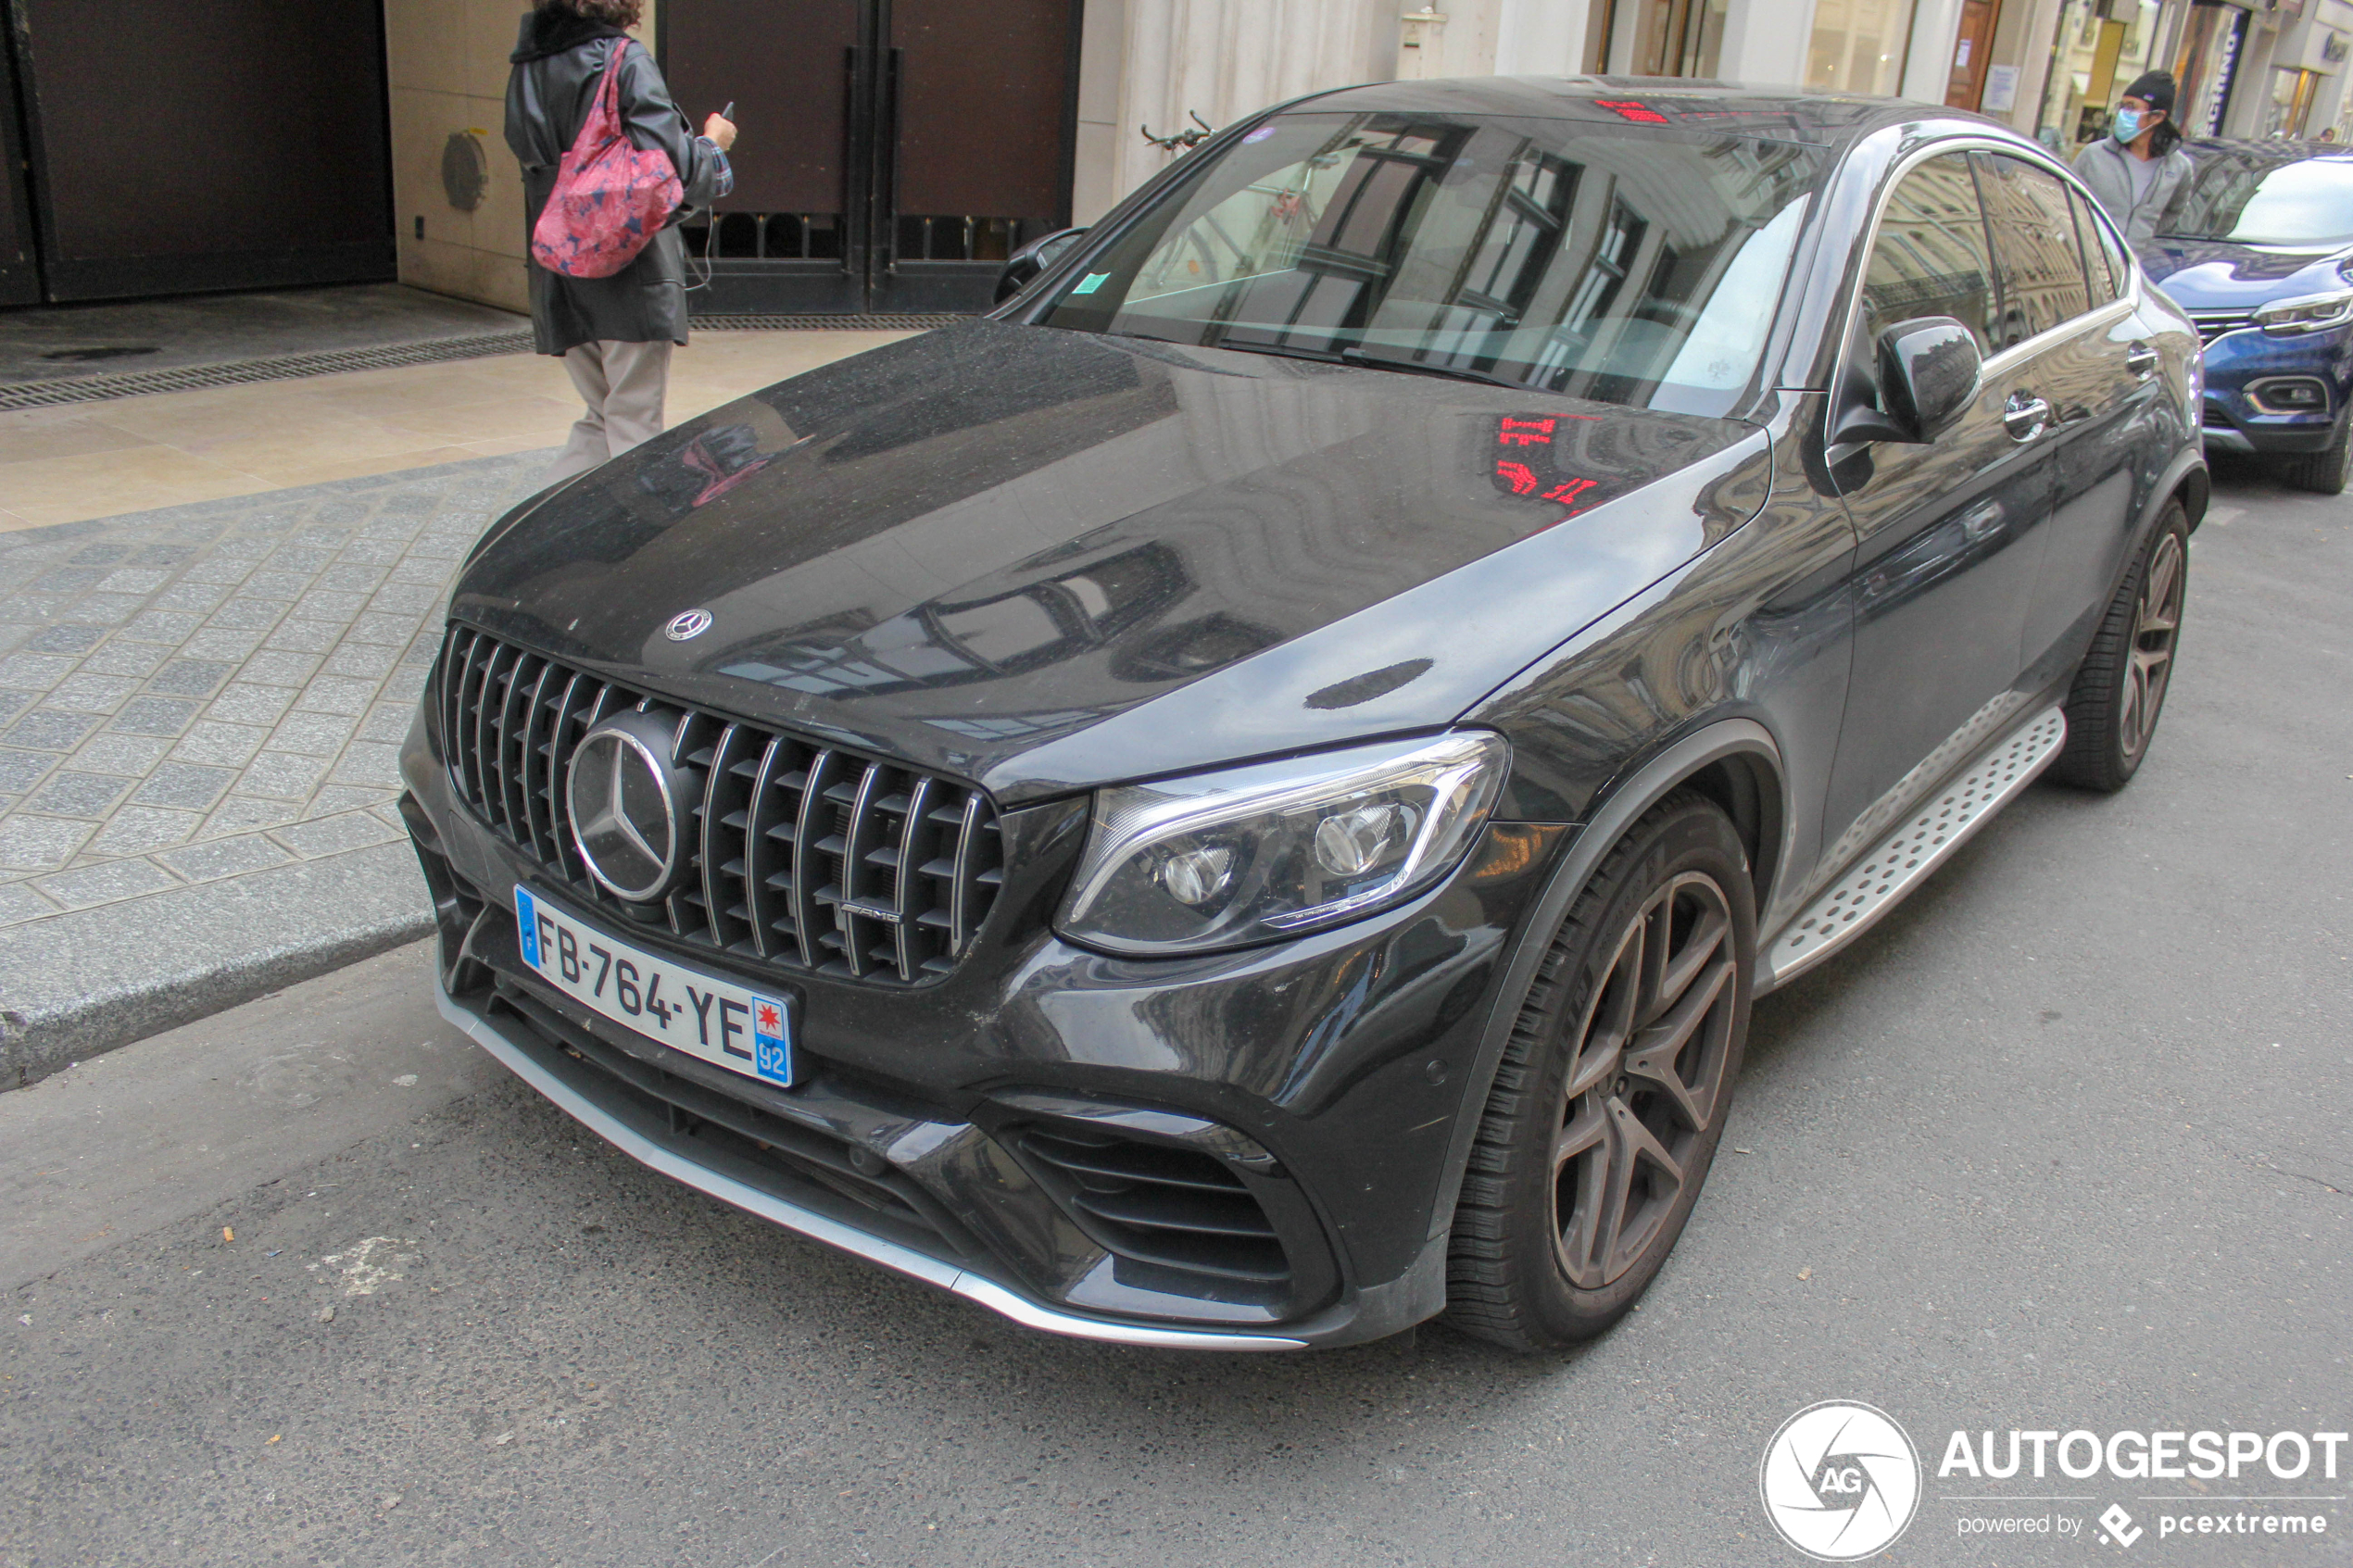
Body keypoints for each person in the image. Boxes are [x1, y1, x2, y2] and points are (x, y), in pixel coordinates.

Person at [506, 0, 737, 483]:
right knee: (634, 422)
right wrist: (715, 145)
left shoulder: (527, 66)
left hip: (558, 266)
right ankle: (639, 551)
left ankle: (538, 535)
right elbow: (673, 173)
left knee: (601, 415)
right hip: (629, 269)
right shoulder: (624, 59)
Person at [2073, 71, 2193, 245]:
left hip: (2132, 265)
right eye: (2122, 106)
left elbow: (2174, 211)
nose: (2122, 113)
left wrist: (2142, 234)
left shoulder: (2178, 167)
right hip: (2087, 262)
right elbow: (2065, 203)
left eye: (2131, 107)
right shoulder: (2093, 155)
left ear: (2157, 117)